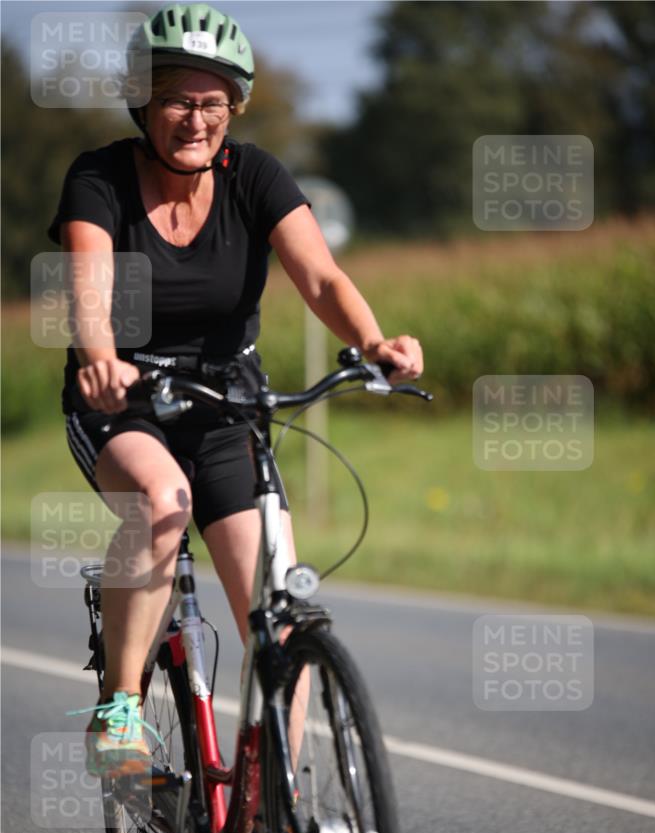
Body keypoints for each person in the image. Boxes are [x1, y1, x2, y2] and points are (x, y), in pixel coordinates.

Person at [49, 2, 424, 777]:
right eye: (179, 100)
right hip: (124, 400)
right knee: (160, 503)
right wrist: (98, 355)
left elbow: (320, 275)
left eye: (213, 102)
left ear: (235, 108)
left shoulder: (253, 175)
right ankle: (119, 709)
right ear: (143, 103)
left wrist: (372, 342)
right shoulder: (99, 177)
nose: (196, 119)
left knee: (277, 622)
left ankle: (271, 814)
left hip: (228, 405)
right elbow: (87, 285)